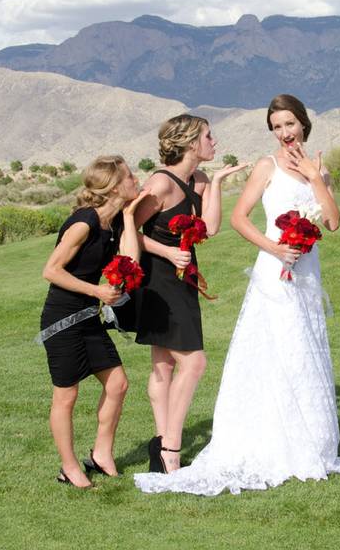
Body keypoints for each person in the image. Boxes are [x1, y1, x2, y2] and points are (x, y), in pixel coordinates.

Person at [135, 94, 340, 495]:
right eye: (276, 127)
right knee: (274, 350)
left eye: (289, 124)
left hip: (306, 274)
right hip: (273, 269)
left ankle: (310, 442)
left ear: (303, 124)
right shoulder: (266, 167)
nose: (284, 133)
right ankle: (256, 437)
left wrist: (317, 178)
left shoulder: (320, 168)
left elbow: (333, 222)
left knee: (305, 350)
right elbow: (237, 218)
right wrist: (275, 249)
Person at [132, 114, 246, 474]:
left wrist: (216, 183)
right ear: (191, 142)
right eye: (209, 137)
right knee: (193, 362)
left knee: (164, 364)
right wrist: (166, 252)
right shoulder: (160, 184)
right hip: (158, 280)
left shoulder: (196, 178)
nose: (215, 142)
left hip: (183, 278)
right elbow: (128, 229)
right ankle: (170, 450)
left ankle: (161, 446)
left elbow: (210, 227)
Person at [39, 155, 147, 488]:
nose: (136, 179)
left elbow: (130, 263)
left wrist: (129, 215)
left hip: (89, 317)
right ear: (115, 186)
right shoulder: (84, 222)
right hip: (63, 318)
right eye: (130, 176)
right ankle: (69, 468)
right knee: (66, 396)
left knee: (117, 384)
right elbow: (50, 270)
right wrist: (96, 291)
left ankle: (101, 455)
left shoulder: (112, 222)